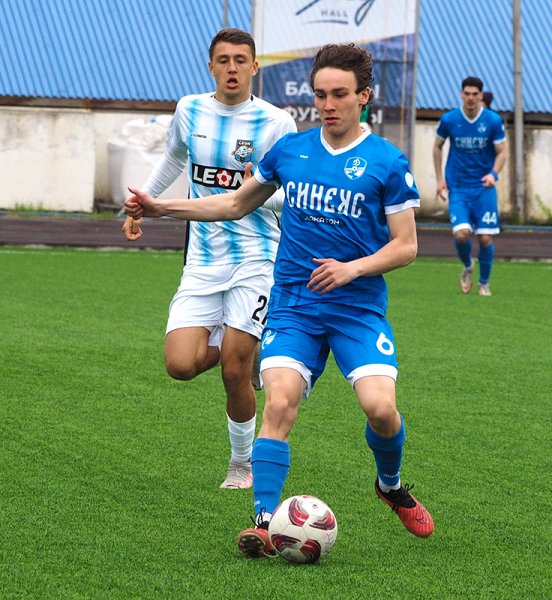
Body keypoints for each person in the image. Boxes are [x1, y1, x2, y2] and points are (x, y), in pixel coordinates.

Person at [124, 43, 435, 557]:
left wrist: (351, 268)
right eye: (320, 94)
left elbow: (406, 245)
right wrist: (161, 208)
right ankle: (265, 522)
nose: (328, 104)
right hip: (294, 305)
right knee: (280, 402)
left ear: (364, 96)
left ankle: (390, 485)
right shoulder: (291, 151)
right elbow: (234, 203)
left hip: (356, 309)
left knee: (381, 410)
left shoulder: (387, 161)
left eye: (339, 94)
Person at [122, 28, 296, 490]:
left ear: (255, 67)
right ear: (211, 66)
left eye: (241, 60)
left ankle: (241, 466)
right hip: (202, 260)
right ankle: (245, 345)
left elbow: (291, 197)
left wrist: (255, 192)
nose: (232, 68)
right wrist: (141, 203)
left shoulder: (276, 123)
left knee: (235, 371)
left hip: (257, 257)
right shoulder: (190, 110)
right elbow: (173, 160)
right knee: (179, 365)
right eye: (223, 60)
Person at [433, 76, 507, 296]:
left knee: (485, 238)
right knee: (461, 234)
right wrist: (439, 179)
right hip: (458, 186)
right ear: (461, 94)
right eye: (467, 94)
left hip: (483, 187)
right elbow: (437, 147)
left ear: (481, 96)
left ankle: (484, 283)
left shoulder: (493, 120)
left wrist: (493, 174)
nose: (471, 98)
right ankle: (467, 265)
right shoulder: (449, 119)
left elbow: (502, 152)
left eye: (475, 94)